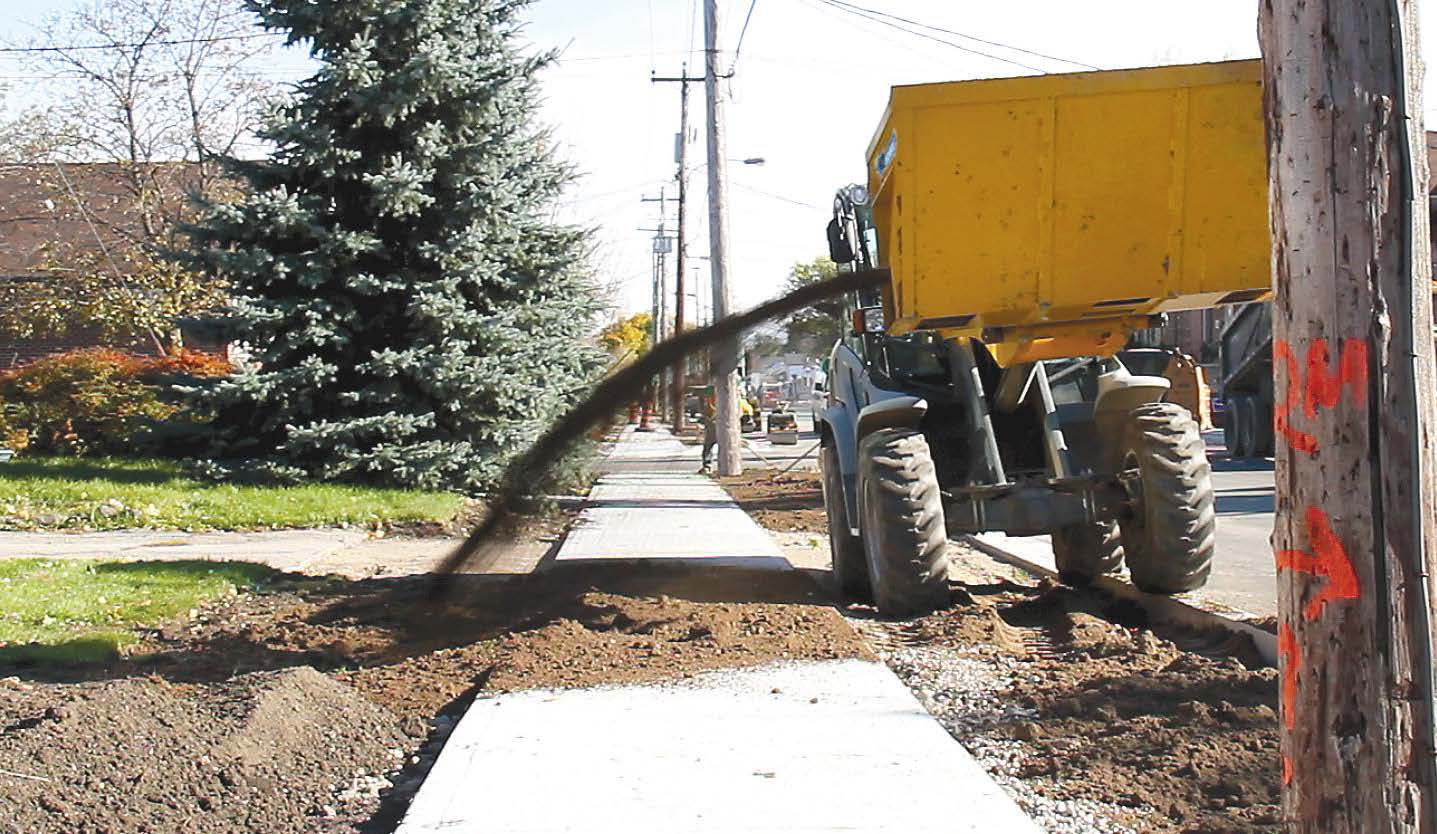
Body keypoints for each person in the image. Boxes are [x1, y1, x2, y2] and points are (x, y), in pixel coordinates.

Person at [700, 390, 717, 474]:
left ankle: (707, 466)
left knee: (708, 446)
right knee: (708, 446)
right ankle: (707, 466)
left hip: (715, 424)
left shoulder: (712, 400)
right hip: (714, 424)